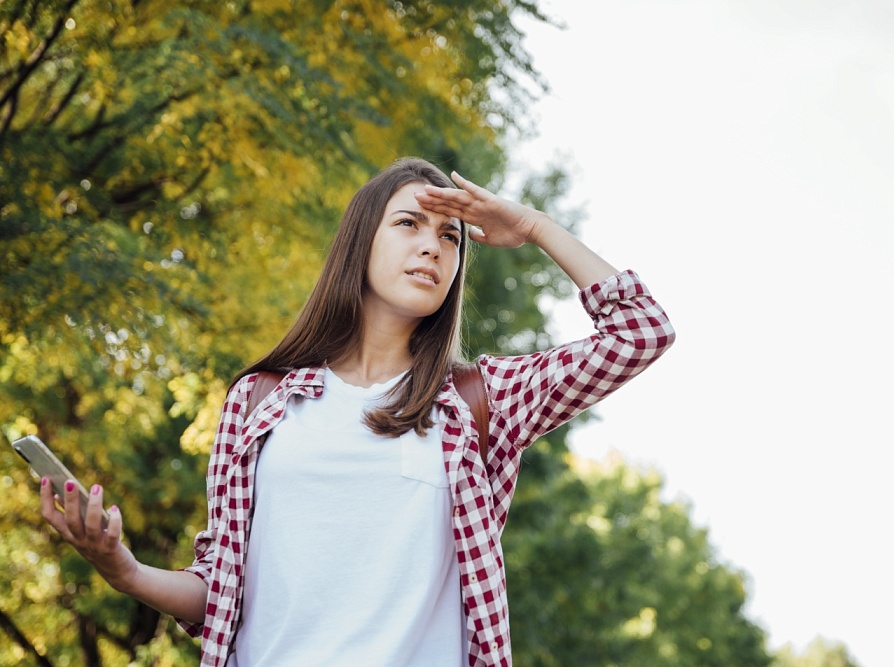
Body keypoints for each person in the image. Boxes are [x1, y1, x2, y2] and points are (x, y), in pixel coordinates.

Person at [40, 157, 675, 666]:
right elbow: (221, 590)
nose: (432, 247)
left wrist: (534, 227)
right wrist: (123, 569)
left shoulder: (479, 400)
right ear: (359, 243)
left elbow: (641, 332)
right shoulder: (260, 401)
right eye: (408, 225)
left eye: (449, 237)